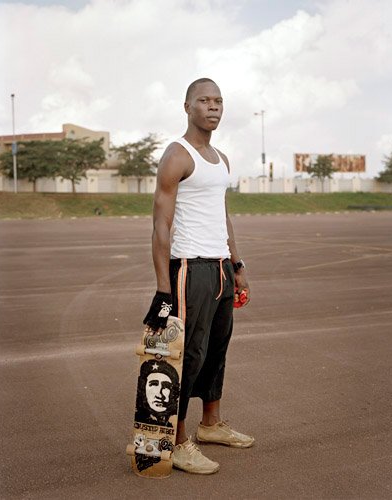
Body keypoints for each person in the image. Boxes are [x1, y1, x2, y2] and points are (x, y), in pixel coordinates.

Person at [143, 77, 254, 474]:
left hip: (221, 268)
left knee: (216, 351)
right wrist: (163, 290)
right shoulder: (178, 154)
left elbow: (221, 215)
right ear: (187, 107)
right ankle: (177, 440)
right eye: (204, 100)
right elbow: (161, 225)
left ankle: (211, 425)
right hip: (189, 269)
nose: (213, 107)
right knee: (188, 356)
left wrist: (236, 264)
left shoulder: (221, 158)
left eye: (219, 101)